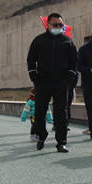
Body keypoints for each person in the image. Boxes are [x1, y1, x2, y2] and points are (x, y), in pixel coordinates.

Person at [27, 12, 78, 153]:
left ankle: (61, 142)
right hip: (42, 82)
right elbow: (31, 59)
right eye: (55, 25)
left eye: (61, 25)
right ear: (48, 25)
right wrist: (33, 75)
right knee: (39, 112)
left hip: (61, 83)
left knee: (61, 113)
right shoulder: (39, 40)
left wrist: (70, 75)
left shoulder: (68, 41)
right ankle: (41, 135)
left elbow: (74, 60)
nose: (58, 27)